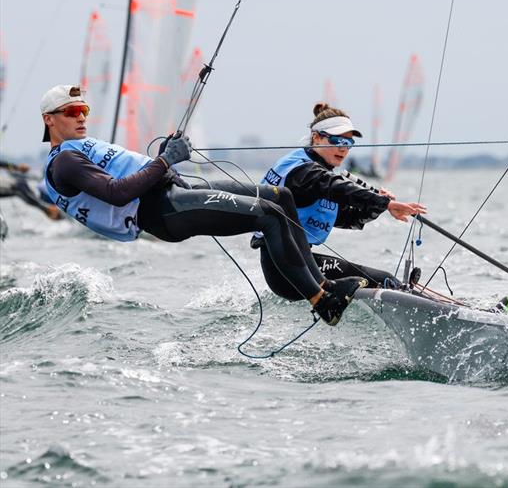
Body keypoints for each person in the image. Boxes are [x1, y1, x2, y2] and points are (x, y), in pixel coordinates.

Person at [40, 84, 363, 326]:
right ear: (50, 120)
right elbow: (118, 193)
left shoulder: (80, 148)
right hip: (162, 212)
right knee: (269, 215)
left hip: (173, 193)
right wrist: (167, 159)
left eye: (84, 111)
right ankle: (321, 299)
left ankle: (320, 285)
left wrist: (163, 157)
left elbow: (138, 175)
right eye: (71, 112)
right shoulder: (66, 160)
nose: (81, 118)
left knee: (278, 196)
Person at [252, 103, 426, 290]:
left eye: (348, 143)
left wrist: (378, 206)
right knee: (385, 281)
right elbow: (335, 186)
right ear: (316, 138)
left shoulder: (313, 169)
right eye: (337, 141)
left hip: (295, 263)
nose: (343, 149)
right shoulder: (303, 171)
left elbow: (346, 218)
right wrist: (385, 203)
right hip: (286, 267)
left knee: (381, 280)